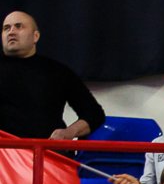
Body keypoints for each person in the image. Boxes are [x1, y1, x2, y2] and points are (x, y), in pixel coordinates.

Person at [0, 10, 103, 139]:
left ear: (35, 36)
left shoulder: (58, 72)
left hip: (46, 148)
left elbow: (94, 114)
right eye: (6, 28)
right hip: (4, 149)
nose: (11, 32)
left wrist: (69, 132)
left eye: (18, 26)